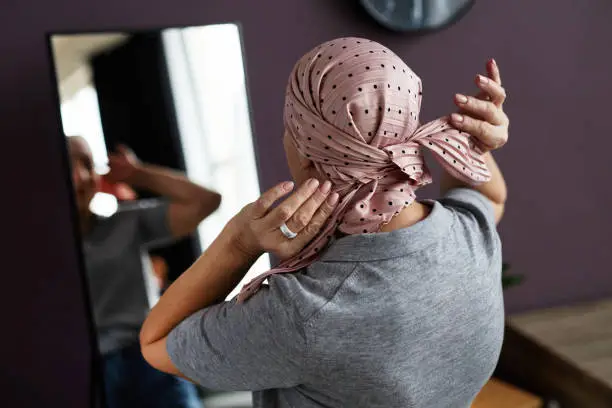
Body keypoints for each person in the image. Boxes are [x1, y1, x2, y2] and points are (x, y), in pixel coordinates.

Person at [140, 37, 509, 408]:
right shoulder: (471, 236)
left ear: (305, 152)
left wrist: (240, 241)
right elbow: (491, 197)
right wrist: (476, 146)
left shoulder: (304, 314)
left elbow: (157, 343)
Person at [67, 137, 220, 408]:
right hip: (85, 370)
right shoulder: (32, 252)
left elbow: (206, 201)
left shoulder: (126, 223)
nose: (80, 177)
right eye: (69, 165)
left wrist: (137, 173)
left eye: (87, 165)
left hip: (149, 359)